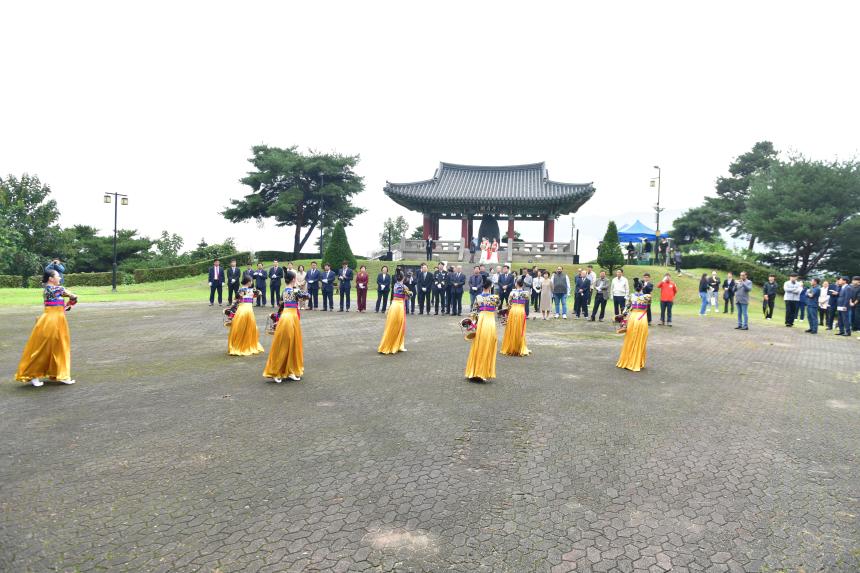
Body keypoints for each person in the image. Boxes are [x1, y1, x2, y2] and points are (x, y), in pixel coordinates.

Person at [15, 269, 78, 386]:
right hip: (50, 321)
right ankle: (33, 375)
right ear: (51, 278)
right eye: (57, 276)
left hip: (58, 320)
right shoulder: (56, 289)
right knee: (44, 348)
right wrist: (71, 300)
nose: (60, 278)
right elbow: (73, 296)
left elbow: (61, 303)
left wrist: (67, 305)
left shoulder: (53, 290)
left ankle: (61, 374)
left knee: (59, 346)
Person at [263, 270, 307, 383]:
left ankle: (291, 370)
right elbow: (307, 296)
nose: (296, 280)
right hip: (289, 318)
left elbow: (282, 305)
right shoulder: (294, 290)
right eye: (295, 278)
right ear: (293, 279)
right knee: (285, 345)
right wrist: (298, 288)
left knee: (292, 344)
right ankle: (276, 371)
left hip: (288, 317)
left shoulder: (285, 291)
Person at [464, 278, 500, 382]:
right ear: (490, 287)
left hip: (481, 320)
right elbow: (497, 306)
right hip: (489, 321)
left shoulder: (478, 297)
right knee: (488, 344)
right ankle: (483, 371)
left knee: (478, 344)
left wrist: (473, 323)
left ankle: (474, 370)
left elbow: (474, 312)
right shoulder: (495, 297)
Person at [616, 278, 651, 372]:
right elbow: (647, 306)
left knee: (630, 339)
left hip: (633, 318)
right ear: (642, 286)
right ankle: (637, 361)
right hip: (642, 318)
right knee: (640, 339)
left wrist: (622, 316)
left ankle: (627, 360)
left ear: (634, 287)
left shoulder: (631, 296)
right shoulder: (648, 297)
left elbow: (626, 309)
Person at [227, 277, 265, 356]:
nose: (251, 282)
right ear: (248, 282)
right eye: (251, 281)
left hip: (240, 310)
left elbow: (235, 300)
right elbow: (260, 293)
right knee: (250, 328)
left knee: (239, 327)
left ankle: (237, 345)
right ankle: (247, 345)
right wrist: (253, 292)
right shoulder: (251, 290)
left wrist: (231, 310)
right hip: (248, 310)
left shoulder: (240, 290)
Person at [377, 271, 411, 354]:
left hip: (393, 305)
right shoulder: (404, 287)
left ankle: (387, 345)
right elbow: (407, 297)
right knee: (399, 326)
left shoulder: (395, 285)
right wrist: (409, 293)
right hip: (399, 307)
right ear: (403, 278)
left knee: (391, 326)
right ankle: (397, 345)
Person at [501, 277, 530, 357]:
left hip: (513, 311)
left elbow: (509, 302)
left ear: (516, 284)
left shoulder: (512, 292)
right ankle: (519, 346)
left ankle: (511, 346)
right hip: (521, 311)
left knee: (512, 328)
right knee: (520, 329)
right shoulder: (526, 293)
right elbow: (526, 302)